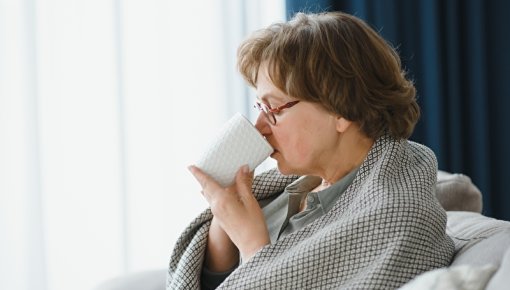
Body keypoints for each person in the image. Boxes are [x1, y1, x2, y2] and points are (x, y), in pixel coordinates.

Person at [167, 11, 454, 289]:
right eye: (259, 106)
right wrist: (224, 211)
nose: (260, 126)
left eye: (274, 108)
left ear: (341, 110)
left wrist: (253, 246)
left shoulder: (396, 217)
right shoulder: (296, 186)